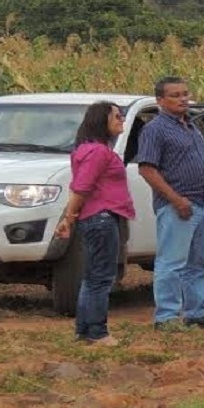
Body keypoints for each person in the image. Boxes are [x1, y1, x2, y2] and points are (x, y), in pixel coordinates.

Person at [136, 76, 204, 330]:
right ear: (160, 100)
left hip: (199, 201)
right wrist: (175, 199)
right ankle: (166, 317)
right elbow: (147, 169)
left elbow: (198, 158)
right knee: (172, 262)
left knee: (199, 261)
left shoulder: (191, 126)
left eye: (185, 94)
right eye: (175, 95)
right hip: (178, 205)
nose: (182, 99)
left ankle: (197, 313)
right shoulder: (155, 129)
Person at [55, 101, 135, 346]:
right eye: (116, 116)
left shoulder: (87, 149)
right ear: (102, 121)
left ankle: (85, 330)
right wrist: (68, 218)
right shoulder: (99, 152)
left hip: (95, 217)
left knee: (92, 277)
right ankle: (97, 332)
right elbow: (82, 187)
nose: (121, 119)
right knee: (100, 277)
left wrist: (70, 217)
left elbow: (78, 186)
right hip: (102, 216)